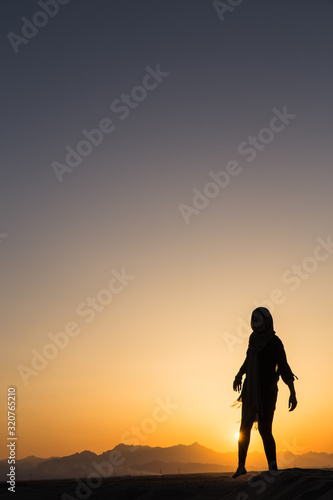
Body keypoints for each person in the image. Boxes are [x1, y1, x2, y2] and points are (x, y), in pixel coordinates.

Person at [232, 307, 297, 478]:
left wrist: (292, 392)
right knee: (244, 426)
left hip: (267, 392)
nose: (256, 324)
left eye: (258, 320)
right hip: (250, 390)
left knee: (264, 429)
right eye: (254, 320)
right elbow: (248, 360)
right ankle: (241, 465)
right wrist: (239, 375)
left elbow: (283, 366)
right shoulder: (253, 340)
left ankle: (272, 467)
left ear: (267, 322)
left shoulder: (275, 342)